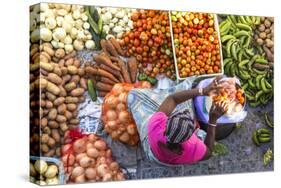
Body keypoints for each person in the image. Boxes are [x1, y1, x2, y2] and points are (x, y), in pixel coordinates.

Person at [127, 76, 228, 166]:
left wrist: (203, 91)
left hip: (153, 154)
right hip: (165, 158)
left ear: (166, 125)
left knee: (133, 94)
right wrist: (212, 120)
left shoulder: (156, 126)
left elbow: (172, 99)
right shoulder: (193, 147)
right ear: (191, 136)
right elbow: (209, 152)